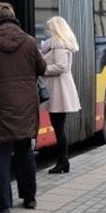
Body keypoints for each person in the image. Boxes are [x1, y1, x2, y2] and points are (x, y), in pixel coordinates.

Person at [0, 2, 47, 213]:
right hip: (27, 103)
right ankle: (29, 198)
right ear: (13, 17)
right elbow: (42, 68)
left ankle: (3, 204)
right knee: (25, 151)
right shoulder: (29, 41)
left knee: (1, 154)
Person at [41, 16, 81, 174]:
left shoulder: (58, 45)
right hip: (60, 87)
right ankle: (63, 161)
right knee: (59, 126)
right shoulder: (59, 44)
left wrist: (42, 70)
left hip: (59, 88)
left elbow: (60, 66)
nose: (48, 30)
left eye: (50, 27)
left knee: (58, 127)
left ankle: (63, 161)